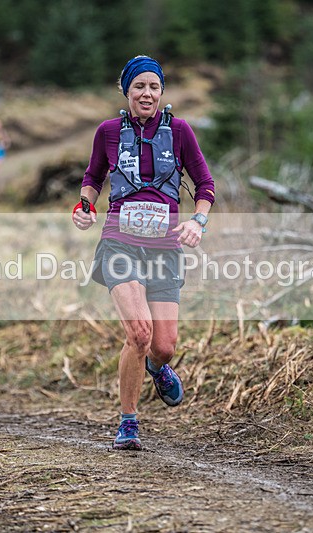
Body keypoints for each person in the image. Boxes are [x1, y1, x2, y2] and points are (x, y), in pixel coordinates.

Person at [72, 55, 215, 450]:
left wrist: (196, 222)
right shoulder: (107, 132)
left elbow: (205, 185)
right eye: (139, 86)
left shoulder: (181, 131)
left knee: (164, 345)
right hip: (120, 241)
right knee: (139, 332)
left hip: (165, 248)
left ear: (162, 92)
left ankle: (157, 367)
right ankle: (128, 422)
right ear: (127, 91)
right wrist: (84, 206)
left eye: (154, 86)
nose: (147, 93)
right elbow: (93, 177)